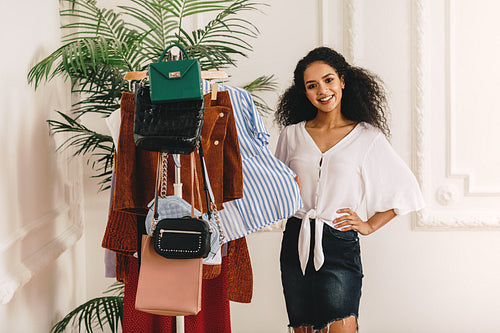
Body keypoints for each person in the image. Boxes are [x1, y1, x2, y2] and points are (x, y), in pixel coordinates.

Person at [274, 47, 424, 333]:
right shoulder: (292, 134)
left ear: (343, 81)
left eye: (329, 80)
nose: (323, 90)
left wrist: (368, 225)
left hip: (339, 243)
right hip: (296, 240)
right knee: (302, 329)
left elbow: (406, 189)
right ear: (304, 92)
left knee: (343, 326)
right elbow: (274, 190)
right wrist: (285, 189)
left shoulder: (367, 136)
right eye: (312, 85)